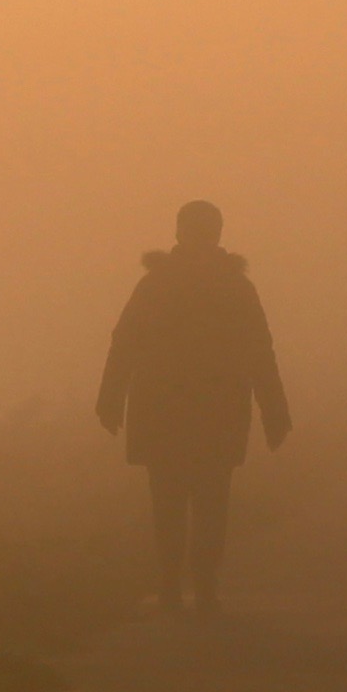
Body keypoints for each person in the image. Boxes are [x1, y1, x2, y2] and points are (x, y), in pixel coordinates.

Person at [95, 199, 289, 612]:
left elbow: (124, 343)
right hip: (208, 411)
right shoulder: (232, 286)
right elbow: (260, 351)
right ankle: (197, 585)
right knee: (207, 502)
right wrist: (274, 410)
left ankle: (179, 586)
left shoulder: (161, 284)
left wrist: (110, 399)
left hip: (171, 410)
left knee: (175, 502)